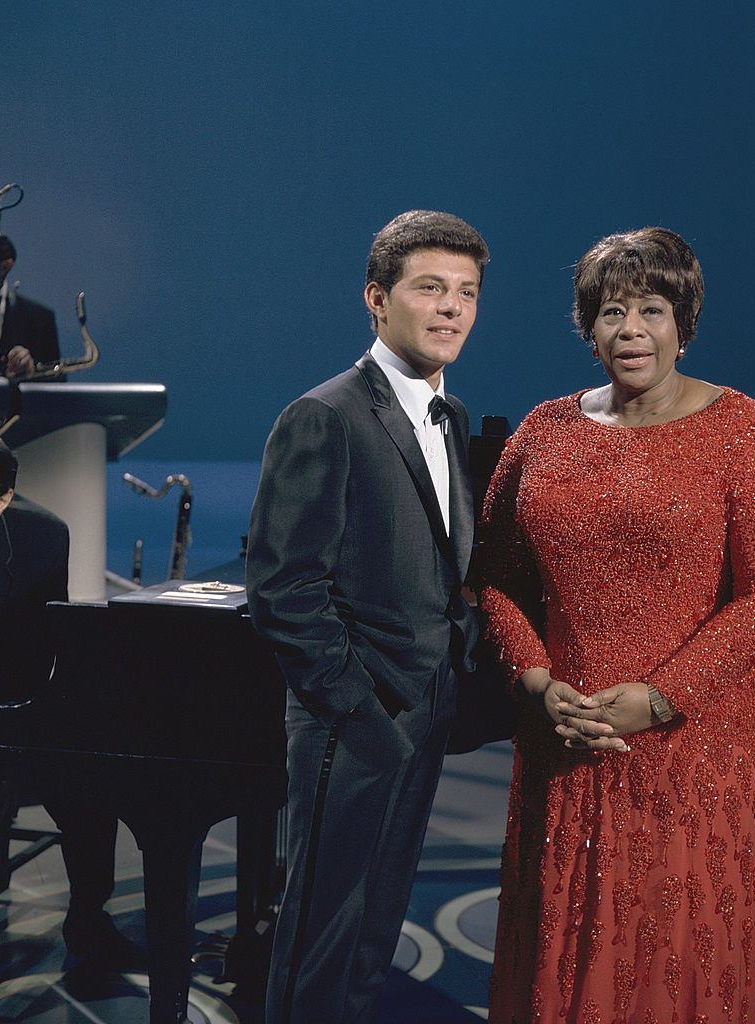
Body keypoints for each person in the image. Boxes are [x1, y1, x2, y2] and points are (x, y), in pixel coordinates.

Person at [479, 228, 755, 1023]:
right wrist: (535, 683)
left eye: (651, 310)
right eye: (611, 311)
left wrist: (663, 696)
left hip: (701, 743)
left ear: (683, 322)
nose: (631, 329)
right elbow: (494, 579)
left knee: (682, 950)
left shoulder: (745, 428)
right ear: (588, 328)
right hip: (567, 737)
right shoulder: (543, 430)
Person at [246, 210, 489, 1024]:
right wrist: (358, 714)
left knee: (373, 931)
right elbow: (283, 588)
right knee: (319, 937)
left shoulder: (449, 418)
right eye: (431, 289)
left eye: (466, 293)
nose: (451, 308)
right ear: (377, 300)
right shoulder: (325, 414)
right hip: (353, 724)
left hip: (425, 712)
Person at [0, 423, 130, 965]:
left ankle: (89, 923)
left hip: (4, 711)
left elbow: (34, 655)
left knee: (91, 785)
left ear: (2, 501)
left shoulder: (42, 538)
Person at [0, 232, 59, 378]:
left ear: (5, 266)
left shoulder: (39, 318)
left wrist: (31, 370)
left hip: (17, 401)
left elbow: (57, 383)